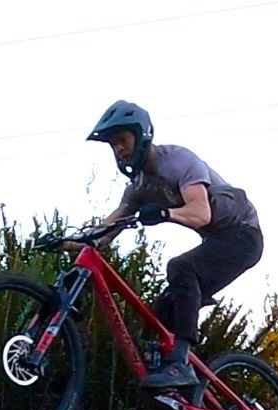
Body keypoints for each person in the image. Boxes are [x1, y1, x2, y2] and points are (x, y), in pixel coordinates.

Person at [77, 100, 264, 390]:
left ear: (141, 136)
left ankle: (180, 363)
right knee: (160, 312)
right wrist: (68, 242)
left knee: (181, 267)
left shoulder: (178, 162)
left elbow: (202, 214)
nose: (119, 150)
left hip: (243, 235)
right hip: (218, 240)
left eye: (123, 141)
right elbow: (105, 231)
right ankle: (175, 393)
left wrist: (165, 214)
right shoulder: (139, 187)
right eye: (113, 146)